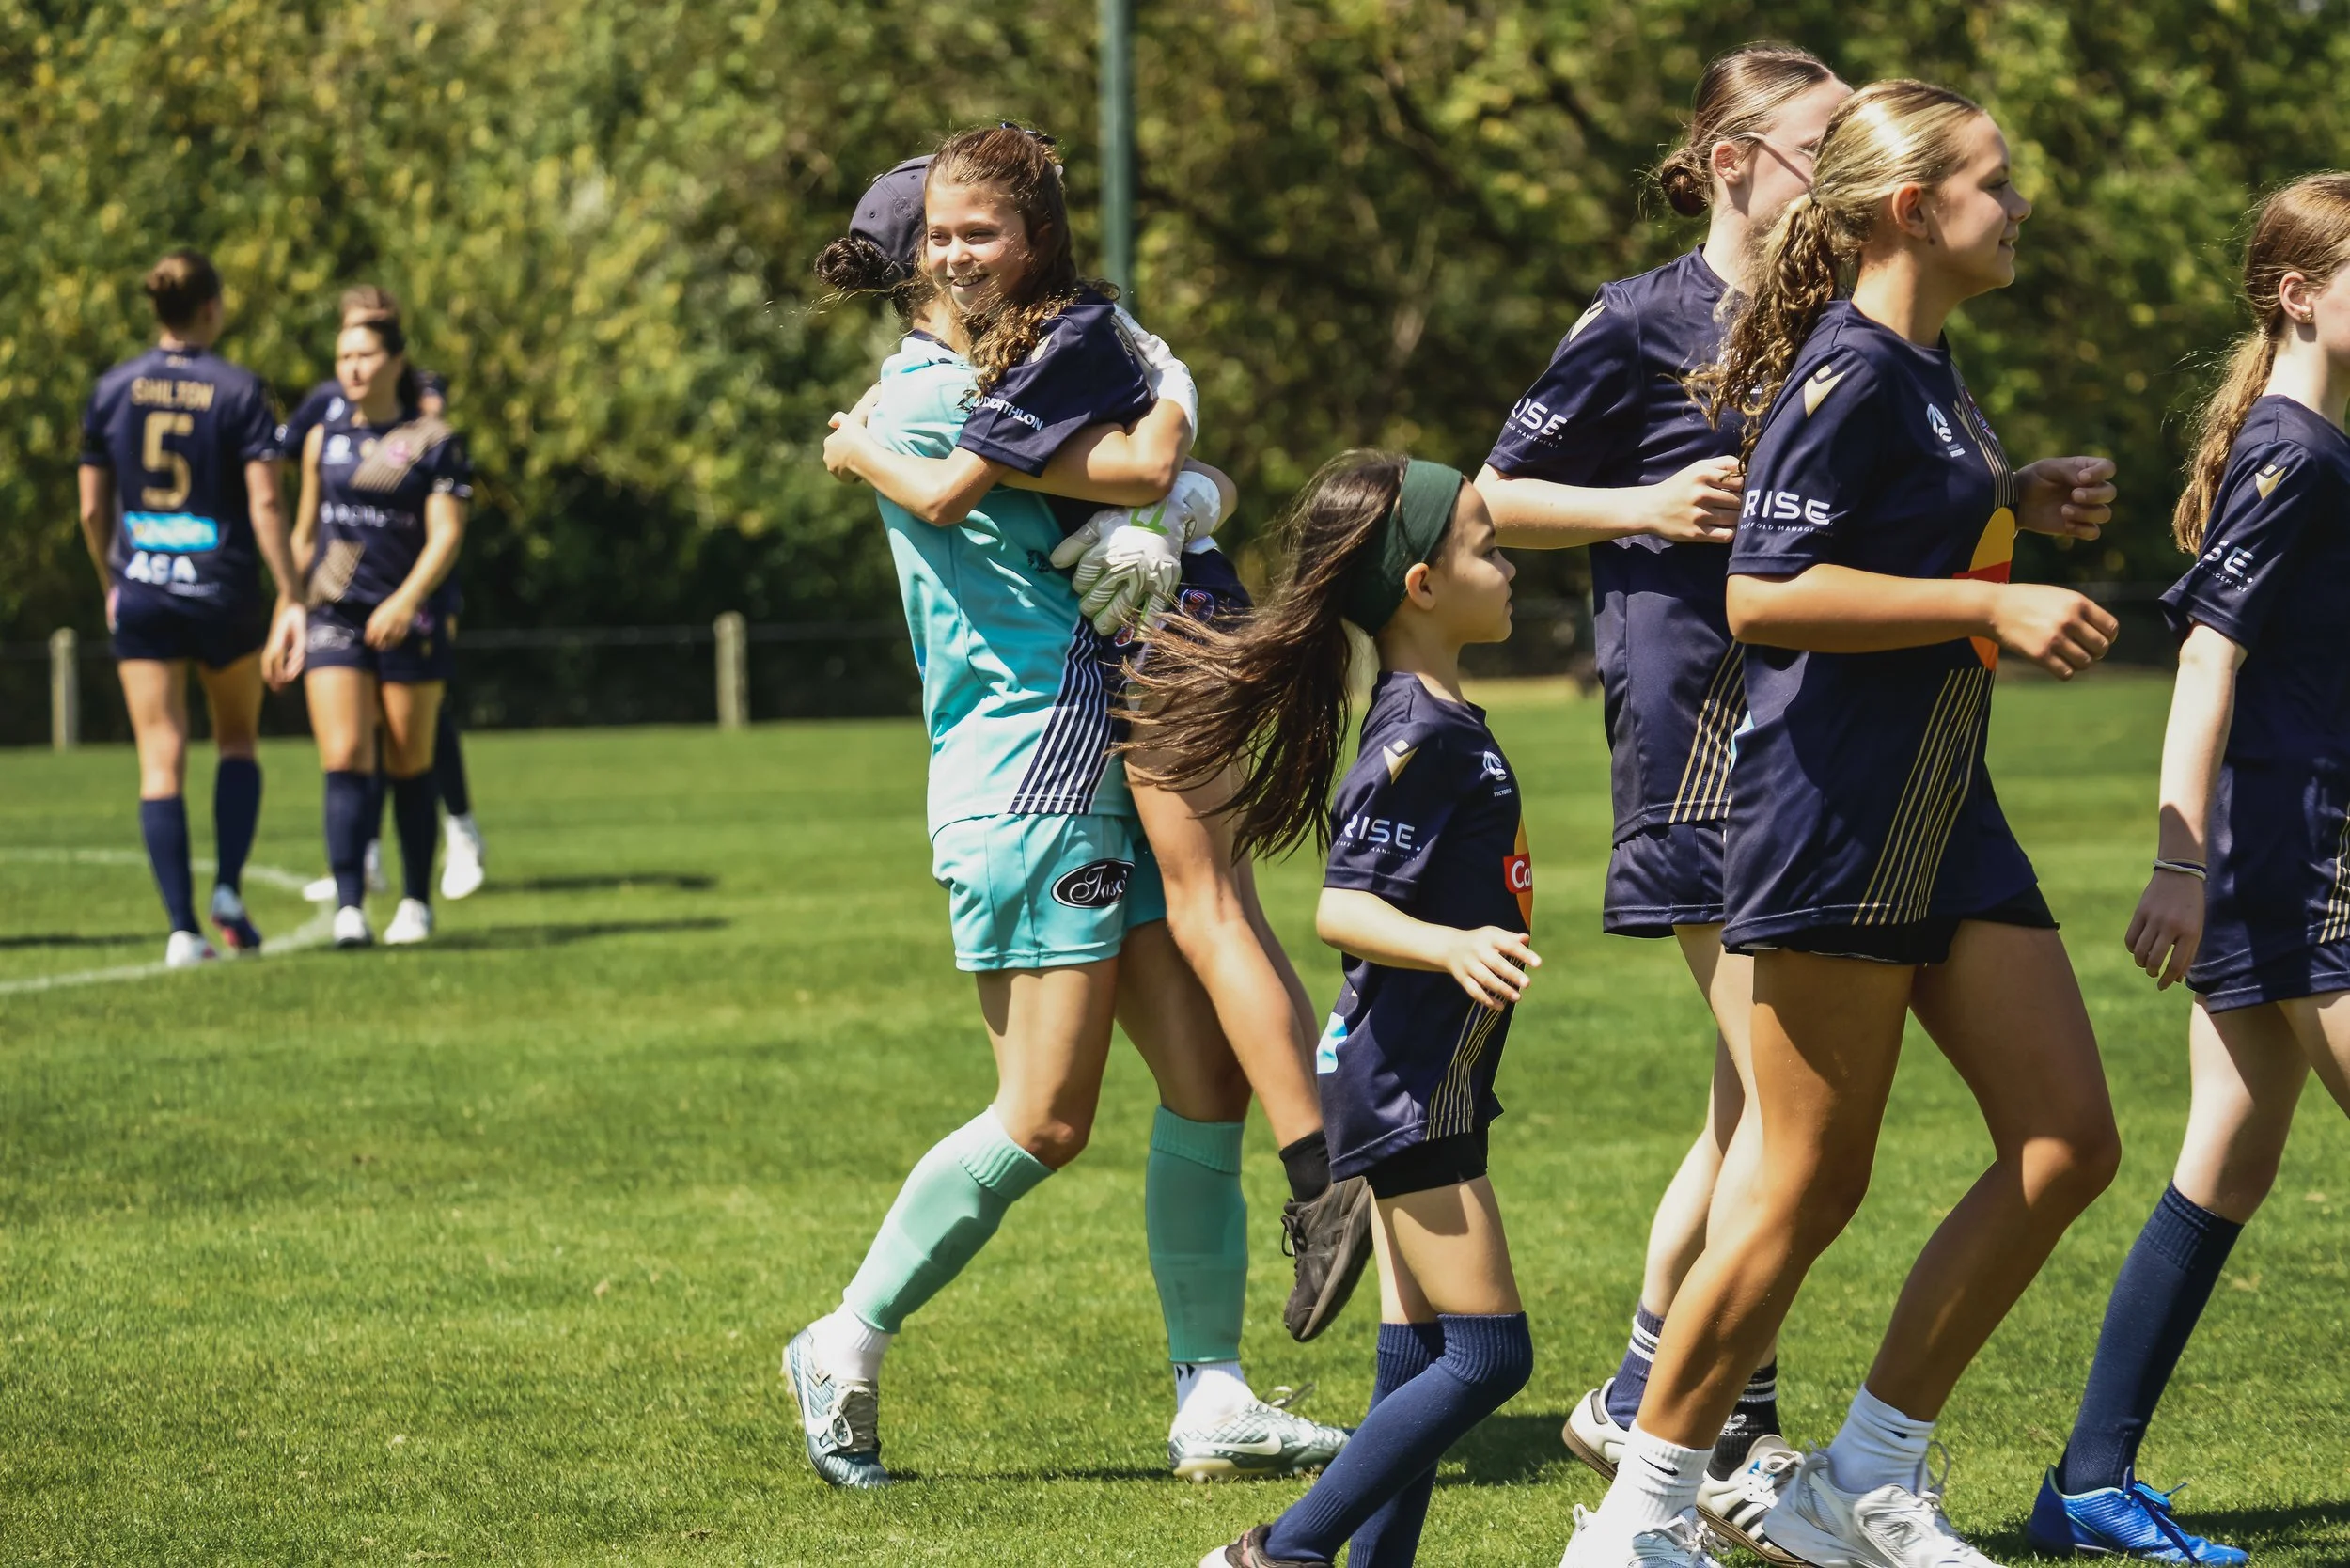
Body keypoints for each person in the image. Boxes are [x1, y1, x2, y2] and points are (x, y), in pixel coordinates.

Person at [1557, 80, 2125, 1568]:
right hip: (1836, 811)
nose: (2017, 209)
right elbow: (1764, 592)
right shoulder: (1852, 368)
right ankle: (1639, 1518)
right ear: (1911, 210)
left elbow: (1885, 521)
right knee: (1806, 1182)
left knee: (2067, 1141)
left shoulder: (1929, 371)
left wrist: (2013, 497)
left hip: (1947, 802)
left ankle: (1858, 1481)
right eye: (1994, 184)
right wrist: (1990, 596)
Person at [785, 129, 1351, 1491]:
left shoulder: (1015, 377)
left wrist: (1178, 472)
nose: (962, 254)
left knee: (1204, 1080)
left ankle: (1211, 1394)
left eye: (982, 230)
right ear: (919, 262)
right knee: (1043, 1115)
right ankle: (844, 1338)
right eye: (943, 236)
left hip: (1108, 753)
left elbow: (1162, 473)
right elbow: (1147, 472)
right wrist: (1173, 448)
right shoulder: (922, 404)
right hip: (1029, 775)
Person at [1475, 43, 1847, 1549]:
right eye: (1825, 144)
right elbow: (1492, 494)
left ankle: (1642, 1391)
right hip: (1692, 732)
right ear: (1729, 159)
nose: (1852, 168)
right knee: (1782, 1106)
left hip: (1821, 737)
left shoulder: (1841, 321)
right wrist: (1642, 502)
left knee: (1744, 1103)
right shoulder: (1636, 321)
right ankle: (1722, 1426)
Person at [2028, 172, 2350, 1568]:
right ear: (2300, 293)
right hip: (2304, 854)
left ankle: (2089, 1481)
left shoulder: (2301, 441)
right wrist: (2180, 856)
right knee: (2223, 1156)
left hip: (2283, 844)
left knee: (2224, 1157)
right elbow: (2208, 655)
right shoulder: (2297, 449)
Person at [1158, 453, 1534, 1567]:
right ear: (1421, 584)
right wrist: (1449, 942)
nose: (1509, 568)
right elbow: (1343, 906)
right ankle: (1280, 1553)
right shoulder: (1419, 736)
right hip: (1404, 1083)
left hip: (1423, 1074)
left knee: (1417, 1356)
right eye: (1486, 546)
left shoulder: (1436, 716)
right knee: (1489, 1357)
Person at [75, 249, 305, 967]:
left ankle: (180, 930)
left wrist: (112, 578)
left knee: (159, 758)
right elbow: (266, 501)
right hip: (223, 591)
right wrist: (293, 594)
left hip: (141, 587)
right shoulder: (240, 391)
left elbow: (90, 506)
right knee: (236, 740)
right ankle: (229, 891)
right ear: (213, 306)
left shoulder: (113, 389)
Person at [284, 287, 487, 904]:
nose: (351, 364)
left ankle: (449, 849)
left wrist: (407, 601)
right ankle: (356, 887)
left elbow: (446, 530)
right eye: (343, 350)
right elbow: (301, 528)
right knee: (346, 748)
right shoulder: (324, 422)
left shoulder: (430, 430)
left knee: (410, 748)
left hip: (413, 607)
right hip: (335, 610)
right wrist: (287, 609)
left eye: (365, 348)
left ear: (394, 354)